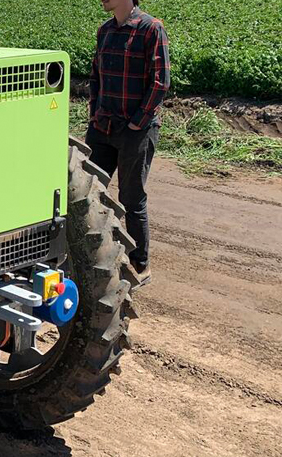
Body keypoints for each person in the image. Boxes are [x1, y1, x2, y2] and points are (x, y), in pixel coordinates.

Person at [86, 0, 170, 288]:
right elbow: (95, 76)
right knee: (90, 193)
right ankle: (92, 255)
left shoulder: (151, 29)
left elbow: (160, 82)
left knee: (131, 199)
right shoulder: (105, 30)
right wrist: (94, 113)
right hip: (102, 127)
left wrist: (138, 121)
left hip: (136, 131)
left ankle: (139, 264)